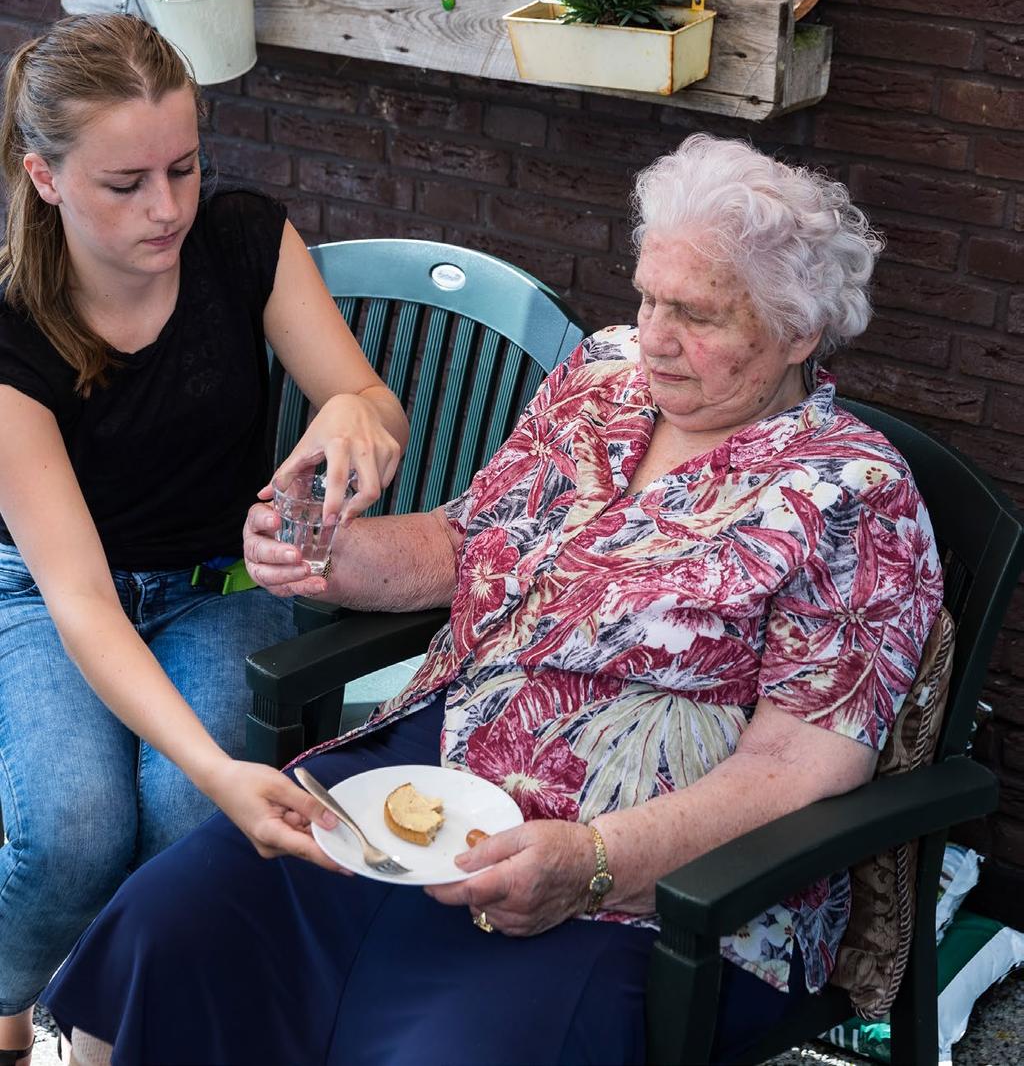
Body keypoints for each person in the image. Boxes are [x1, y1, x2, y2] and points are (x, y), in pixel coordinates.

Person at [42, 133, 943, 1066]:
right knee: (173, 922)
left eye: (698, 315)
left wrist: (596, 861)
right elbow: (466, 540)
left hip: (657, 887)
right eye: (646, 296)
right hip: (432, 782)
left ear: (798, 332)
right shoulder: (602, 379)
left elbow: (800, 767)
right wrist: (326, 556)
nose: (656, 338)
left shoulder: (850, 497)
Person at [0, 14, 410, 1065]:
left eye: (183, 167)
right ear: (43, 178)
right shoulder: (8, 329)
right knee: (74, 830)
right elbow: (82, 601)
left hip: (220, 587)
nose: (168, 207)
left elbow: (363, 398)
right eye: (125, 183)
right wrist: (225, 772)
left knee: (188, 814)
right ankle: (9, 1002)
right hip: (51, 595)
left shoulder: (242, 240)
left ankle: (107, 1034)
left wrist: (358, 415)